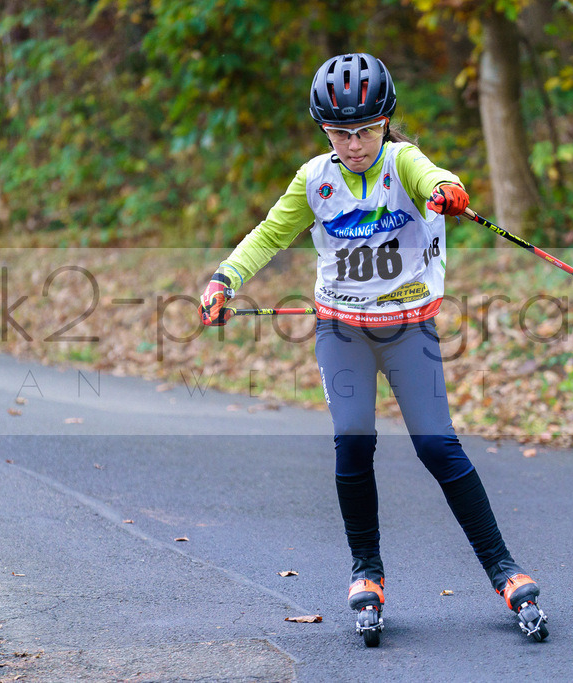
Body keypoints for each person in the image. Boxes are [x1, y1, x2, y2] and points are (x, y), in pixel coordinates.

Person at [197, 53, 546, 643]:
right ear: (324, 131)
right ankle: (366, 571)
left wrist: (449, 192)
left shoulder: (402, 162)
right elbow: (269, 235)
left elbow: (434, 177)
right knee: (354, 438)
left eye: (365, 130)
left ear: (385, 123)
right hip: (343, 332)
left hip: (409, 328)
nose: (354, 144)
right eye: (340, 133)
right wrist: (224, 279)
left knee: (437, 445)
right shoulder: (315, 179)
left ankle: (503, 569)